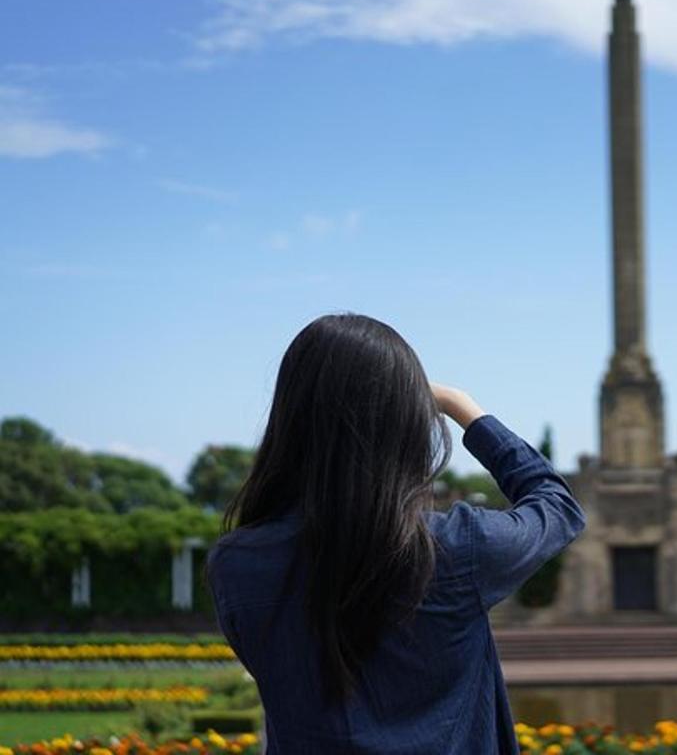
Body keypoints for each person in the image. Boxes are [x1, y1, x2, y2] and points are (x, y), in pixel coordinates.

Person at [205, 313, 586, 754]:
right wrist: (465, 409)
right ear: (403, 422)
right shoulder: (455, 549)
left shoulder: (236, 564)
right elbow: (557, 504)